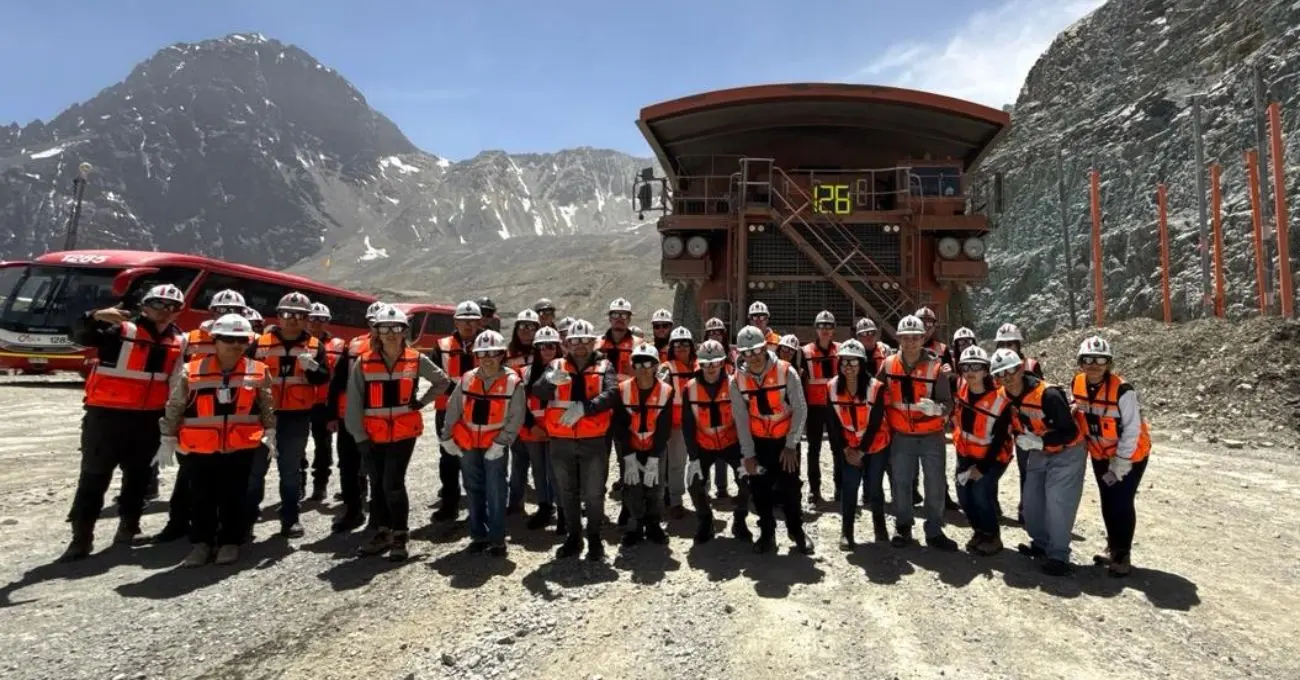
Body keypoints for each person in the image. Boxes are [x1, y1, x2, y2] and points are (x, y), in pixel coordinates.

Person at [59, 284, 186, 561]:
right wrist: (93, 316)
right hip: (106, 416)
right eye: (159, 305)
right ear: (145, 304)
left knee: (139, 477)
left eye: (173, 308)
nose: (165, 312)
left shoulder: (179, 341)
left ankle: (129, 528)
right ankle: (81, 539)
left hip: (149, 418)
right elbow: (79, 336)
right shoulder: (121, 330)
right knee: (94, 476)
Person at [158, 313, 276, 567]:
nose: (236, 345)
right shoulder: (192, 369)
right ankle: (201, 544)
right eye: (229, 339)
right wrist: (167, 436)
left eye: (242, 340)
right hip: (200, 448)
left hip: (241, 446)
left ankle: (229, 543)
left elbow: (266, 404)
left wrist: (271, 431)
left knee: (234, 497)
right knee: (201, 497)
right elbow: (175, 405)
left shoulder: (258, 370)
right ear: (216, 340)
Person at [345, 306, 449, 561]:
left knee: (392, 483)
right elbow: (354, 402)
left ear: (404, 331)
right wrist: (359, 436)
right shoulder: (364, 361)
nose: (390, 333)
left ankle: (400, 535)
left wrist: (422, 402)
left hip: (404, 433)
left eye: (396, 328)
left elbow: (442, 381)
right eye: (384, 328)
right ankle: (383, 532)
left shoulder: (415, 359)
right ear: (377, 332)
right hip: (372, 435)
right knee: (378, 485)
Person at [151, 288, 249, 545]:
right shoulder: (189, 338)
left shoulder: (248, 338)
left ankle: (220, 530)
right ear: (211, 311)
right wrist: (173, 415)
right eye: (221, 310)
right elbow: (176, 375)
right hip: (195, 415)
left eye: (235, 311)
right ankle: (178, 523)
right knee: (189, 477)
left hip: (231, 415)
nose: (227, 315)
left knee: (227, 479)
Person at [990, 347, 1085, 577]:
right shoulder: (1003, 396)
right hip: (1038, 450)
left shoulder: (1048, 395)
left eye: (1011, 370)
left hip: (1067, 451)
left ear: (1021, 368)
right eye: (1000, 374)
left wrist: (1040, 443)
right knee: (1032, 500)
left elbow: (1070, 433)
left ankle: (1059, 555)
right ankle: (1040, 543)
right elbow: (1001, 426)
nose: (1006, 377)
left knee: (1058, 501)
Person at [530, 319, 619, 561]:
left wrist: (586, 408)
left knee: (593, 493)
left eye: (585, 341)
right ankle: (573, 536)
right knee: (566, 491)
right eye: (575, 341)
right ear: (567, 344)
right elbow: (537, 391)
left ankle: (595, 538)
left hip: (593, 440)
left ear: (593, 343)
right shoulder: (555, 365)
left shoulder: (605, 366)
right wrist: (550, 381)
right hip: (561, 439)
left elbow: (612, 394)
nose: (580, 345)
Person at [247, 292, 331, 539]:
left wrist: (314, 369)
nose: (293, 320)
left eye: (300, 316)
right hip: (262, 416)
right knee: (255, 470)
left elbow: (324, 377)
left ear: (306, 318)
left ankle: (290, 519)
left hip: (296, 416)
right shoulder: (260, 344)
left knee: (290, 471)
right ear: (279, 316)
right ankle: (247, 519)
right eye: (287, 314)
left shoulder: (315, 346)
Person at [1071, 336, 1152, 577]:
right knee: (1107, 499)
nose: (1093, 364)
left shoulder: (1123, 390)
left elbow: (1132, 428)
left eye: (1100, 360)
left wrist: (1121, 460)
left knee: (1122, 501)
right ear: (1080, 362)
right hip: (1100, 454)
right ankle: (1112, 546)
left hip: (1130, 456)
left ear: (1109, 363)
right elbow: (1081, 410)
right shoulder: (1077, 383)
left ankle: (1122, 554)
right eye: (1088, 359)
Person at [442, 330, 527, 557]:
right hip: (469, 445)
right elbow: (453, 409)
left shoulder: (513, 382)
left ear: (502, 355)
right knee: (473, 489)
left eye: (493, 353)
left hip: (494, 446)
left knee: (497, 491)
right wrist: (446, 436)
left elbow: (516, 417)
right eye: (482, 353)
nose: (487, 358)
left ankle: (497, 539)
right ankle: (478, 535)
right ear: (476, 355)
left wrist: (501, 443)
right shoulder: (468, 378)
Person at [878, 315, 957, 550]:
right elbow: (876, 392)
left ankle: (934, 529)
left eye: (915, 337)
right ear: (899, 339)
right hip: (901, 435)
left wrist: (937, 409)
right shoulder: (888, 364)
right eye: (906, 338)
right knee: (901, 482)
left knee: (934, 483)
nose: (911, 342)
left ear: (924, 338)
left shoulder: (935, 367)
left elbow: (948, 403)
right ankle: (903, 526)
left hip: (931, 435)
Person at [732, 325, 813, 555]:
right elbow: (740, 419)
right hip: (759, 443)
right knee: (760, 489)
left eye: (756, 350)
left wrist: (791, 445)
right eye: (746, 352)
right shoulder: (737, 380)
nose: (753, 357)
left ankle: (796, 531)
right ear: (740, 353)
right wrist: (748, 454)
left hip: (784, 443)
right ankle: (767, 534)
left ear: (765, 347)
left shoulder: (787, 372)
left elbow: (800, 408)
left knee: (790, 489)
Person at [682, 340, 753, 544]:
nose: (710, 367)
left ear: (723, 362)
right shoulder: (690, 388)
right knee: (694, 483)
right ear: (699, 364)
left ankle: (740, 520)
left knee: (748, 479)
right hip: (704, 445)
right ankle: (705, 521)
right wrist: (693, 457)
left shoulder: (734, 384)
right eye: (705, 363)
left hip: (732, 443)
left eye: (715, 362)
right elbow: (688, 425)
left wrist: (747, 453)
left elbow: (743, 418)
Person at [326, 300, 387, 532]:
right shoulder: (353, 347)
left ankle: (378, 513)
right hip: (350, 417)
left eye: (383, 325)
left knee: (378, 468)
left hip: (381, 419)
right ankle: (353, 510)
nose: (378, 329)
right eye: (374, 324)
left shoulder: (398, 349)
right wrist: (332, 414)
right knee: (348, 466)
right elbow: (337, 382)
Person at [825, 339, 891, 549]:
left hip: (875, 445)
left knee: (874, 488)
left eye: (854, 363)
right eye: (844, 362)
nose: (848, 367)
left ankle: (880, 527)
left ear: (862, 364)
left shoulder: (875, 388)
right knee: (850, 487)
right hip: (849, 447)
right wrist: (845, 449)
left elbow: (874, 424)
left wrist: (861, 451)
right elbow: (833, 423)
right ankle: (847, 532)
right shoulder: (832, 388)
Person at [607, 343, 674, 546]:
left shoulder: (666, 391)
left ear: (656, 366)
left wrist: (654, 457)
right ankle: (635, 525)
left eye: (648, 363)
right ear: (632, 366)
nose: (643, 367)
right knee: (632, 486)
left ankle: (653, 525)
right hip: (632, 447)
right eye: (638, 363)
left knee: (655, 488)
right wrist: (628, 456)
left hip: (655, 448)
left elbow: (664, 428)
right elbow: (619, 425)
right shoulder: (622, 390)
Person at [951, 346, 1013, 556]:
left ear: (986, 370)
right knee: (963, 494)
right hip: (966, 453)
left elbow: (999, 439)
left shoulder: (999, 400)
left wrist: (982, 468)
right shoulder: (961, 389)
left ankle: (992, 536)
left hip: (993, 457)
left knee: (980, 492)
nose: (970, 371)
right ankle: (978, 531)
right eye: (965, 367)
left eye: (976, 366)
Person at [429, 300, 482, 521]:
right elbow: (433, 377)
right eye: (464, 320)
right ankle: (449, 504)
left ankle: (477, 508)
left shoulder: (487, 345)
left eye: (473, 321)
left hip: (479, 411)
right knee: (449, 458)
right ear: (456, 322)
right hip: (447, 411)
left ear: (479, 322)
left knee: (477, 458)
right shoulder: (441, 346)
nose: (468, 325)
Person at [517, 326, 564, 532]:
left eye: (552, 346)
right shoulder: (524, 373)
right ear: (536, 348)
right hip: (533, 430)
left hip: (558, 431)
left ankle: (563, 512)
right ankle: (544, 507)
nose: (548, 350)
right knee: (538, 470)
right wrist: (530, 425)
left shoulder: (565, 371)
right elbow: (518, 403)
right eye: (543, 346)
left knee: (557, 473)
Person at [304, 302, 346, 502]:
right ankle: (299, 483)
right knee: (298, 446)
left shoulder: (339, 345)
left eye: (321, 319)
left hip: (324, 403)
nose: (316, 323)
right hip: (299, 402)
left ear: (328, 321)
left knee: (323, 446)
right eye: (312, 318)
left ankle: (320, 485)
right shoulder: (297, 342)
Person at [801, 310, 841, 503]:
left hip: (835, 408)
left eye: (828, 326)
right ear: (816, 329)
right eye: (821, 326)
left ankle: (840, 489)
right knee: (814, 449)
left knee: (837, 449)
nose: (825, 330)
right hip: (814, 408)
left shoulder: (841, 350)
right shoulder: (806, 352)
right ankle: (814, 490)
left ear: (833, 330)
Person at [658, 326, 696, 519]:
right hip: (677, 426)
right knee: (676, 464)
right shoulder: (666, 368)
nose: (681, 347)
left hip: (699, 424)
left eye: (685, 344)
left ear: (691, 346)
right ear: (671, 347)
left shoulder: (700, 365)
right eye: (677, 344)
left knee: (699, 463)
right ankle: (675, 501)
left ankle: (701, 497)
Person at [505, 309, 540, 515]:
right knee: (518, 462)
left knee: (541, 465)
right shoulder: (506, 354)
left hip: (539, 417)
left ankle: (547, 504)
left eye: (531, 327)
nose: (527, 331)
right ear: (516, 329)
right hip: (516, 415)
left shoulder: (545, 350)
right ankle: (515, 503)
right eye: (523, 326)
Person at [701, 316, 736, 499]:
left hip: (727, 407)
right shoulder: (700, 354)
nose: (715, 335)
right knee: (705, 449)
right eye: (711, 332)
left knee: (722, 447)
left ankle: (721, 486)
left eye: (719, 332)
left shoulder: (732, 356)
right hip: (706, 406)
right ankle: (704, 486)